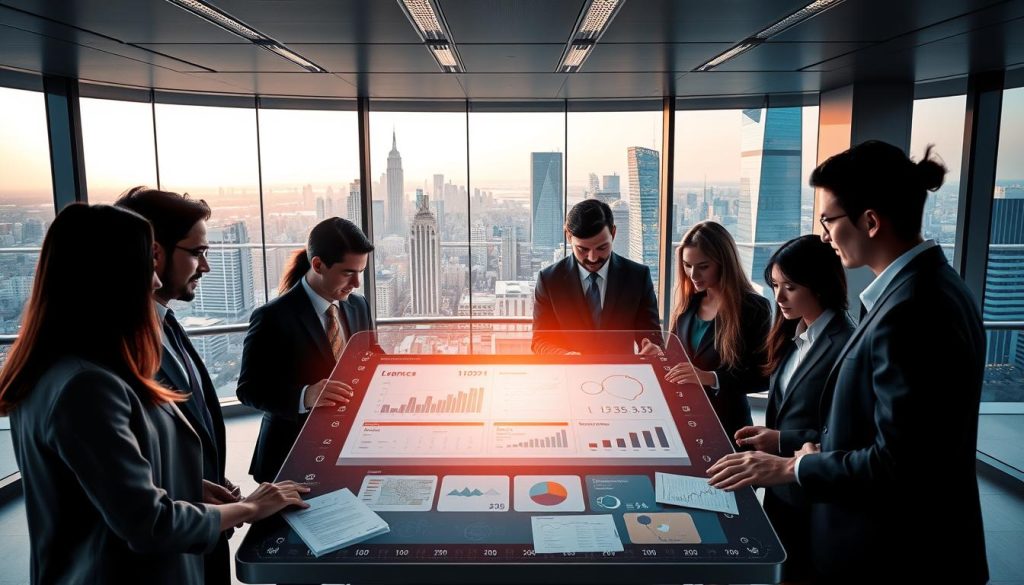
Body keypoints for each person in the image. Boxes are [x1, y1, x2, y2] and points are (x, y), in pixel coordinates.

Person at [706, 141, 988, 584]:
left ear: (870, 222)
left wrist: (793, 466)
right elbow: (883, 430)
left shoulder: (914, 309)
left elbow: (898, 462)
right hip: (896, 541)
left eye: (828, 220)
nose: (824, 236)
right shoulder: (927, 287)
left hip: (895, 552)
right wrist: (791, 441)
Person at [0, 204, 309, 585]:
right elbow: (149, 523)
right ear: (111, 276)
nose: (157, 282)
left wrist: (186, 485)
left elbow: (102, 481)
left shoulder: (74, 367)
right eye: (148, 265)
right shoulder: (86, 386)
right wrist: (250, 508)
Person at [116, 186, 236, 585]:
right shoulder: (116, 355)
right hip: (158, 561)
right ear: (154, 252)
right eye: (197, 252)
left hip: (199, 531)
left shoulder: (168, 323)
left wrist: (199, 486)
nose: (206, 267)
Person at [733, 234, 854, 581]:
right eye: (774, 285)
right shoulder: (793, 335)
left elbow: (844, 433)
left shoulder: (845, 345)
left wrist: (781, 439)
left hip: (812, 491)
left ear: (819, 284)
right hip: (781, 488)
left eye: (790, 287)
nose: (779, 297)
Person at [238, 217, 374, 483]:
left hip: (346, 444)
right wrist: (305, 396)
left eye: (361, 272)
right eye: (348, 272)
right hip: (289, 451)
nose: (357, 283)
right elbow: (249, 390)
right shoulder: (272, 317)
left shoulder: (358, 306)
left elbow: (369, 358)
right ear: (318, 265)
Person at [665, 221, 771, 440]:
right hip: (683, 419)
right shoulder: (687, 304)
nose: (693, 275)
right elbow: (676, 359)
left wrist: (711, 377)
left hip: (728, 425)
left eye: (703, 267)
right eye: (687, 265)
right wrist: (660, 358)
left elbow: (763, 376)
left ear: (724, 263)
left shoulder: (753, 308)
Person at [532, 199, 662, 355]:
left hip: (621, 374)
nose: (593, 258)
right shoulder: (549, 280)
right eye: (582, 249)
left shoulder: (637, 277)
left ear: (613, 233)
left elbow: (652, 338)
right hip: (570, 374)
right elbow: (540, 341)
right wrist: (563, 356)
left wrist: (653, 349)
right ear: (568, 236)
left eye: (602, 247)